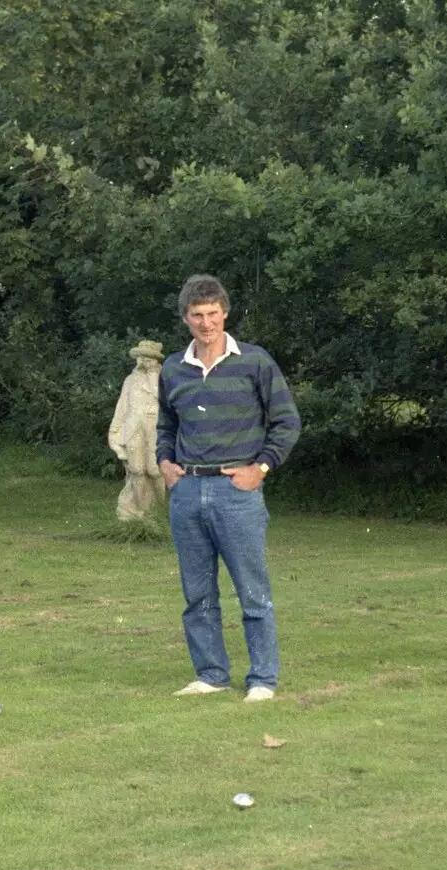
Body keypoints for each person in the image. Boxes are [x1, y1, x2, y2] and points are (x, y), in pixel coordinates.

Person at [156, 274, 301, 702]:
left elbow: (287, 422)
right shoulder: (173, 368)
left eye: (213, 313)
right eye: (198, 315)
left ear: (225, 312)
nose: (206, 323)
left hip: (237, 492)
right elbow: (166, 425)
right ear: (186, 318)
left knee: (252, 591)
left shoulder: (254, 362)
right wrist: (164, 462)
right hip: (187, 492)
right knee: (197, 594)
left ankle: (262, 679)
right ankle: (211, 674)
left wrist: (262, 468)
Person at [107, 340, 167, 521]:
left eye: (148, 359)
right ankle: (141, 512)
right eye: (141, 358)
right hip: (134, 427)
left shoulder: (164, 378)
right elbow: (122, 408)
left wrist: (151, 377)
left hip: (155, 428)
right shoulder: (130, 380)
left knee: (155, 470)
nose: (144, 362)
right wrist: (115, 432)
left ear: (156, 361)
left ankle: (159, 510)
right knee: (136, 470)